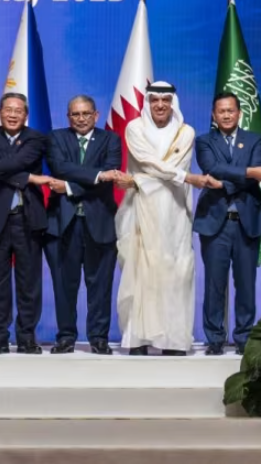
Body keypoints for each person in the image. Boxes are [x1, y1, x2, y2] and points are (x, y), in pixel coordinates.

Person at [116, 82, 208, 356]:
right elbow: (148, 163)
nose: (159, 105)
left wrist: (139, 179)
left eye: (165, 100)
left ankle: (174, 340)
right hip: (142, 207)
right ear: (147, 102)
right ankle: (138, 338)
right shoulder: (135, 128)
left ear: (172, 103)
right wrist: (187, 177)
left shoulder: (185, 132)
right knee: (141, 270)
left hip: (175, 211)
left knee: (176, 271)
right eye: (154, 100)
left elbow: (162, 170)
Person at [194, 92, 261, 356]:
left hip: (247, 220)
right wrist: (248, 172)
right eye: (221, 111)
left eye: (231, 110)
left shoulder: (255, 140)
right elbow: (212, 168)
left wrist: (225, 183)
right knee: (214, 284)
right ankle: (215, 339)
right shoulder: (204, 141)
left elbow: (256, 175)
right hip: (214, 222)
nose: (226, 115)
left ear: (239, 113)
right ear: (213, 115)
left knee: (246, 283)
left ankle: (244, 337)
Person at [45, 94, 125, 355]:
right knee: (64, 284)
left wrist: (69, 187)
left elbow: (110, 174)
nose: (81, 119)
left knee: (100, 285)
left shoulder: (111, 139)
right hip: (63, 223)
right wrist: (98, 175)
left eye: (86, 113)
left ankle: (98, 338)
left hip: (100, 223)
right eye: (75, 114)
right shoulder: (56, 138)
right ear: (68, 117)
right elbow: (60, 167)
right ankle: (66, 337)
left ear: (96, 115)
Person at [0, 92, 54, 355]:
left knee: (29, 281)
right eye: (8, 110)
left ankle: (27, 337)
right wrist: (29, 178)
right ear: (0, 112)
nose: (12, 115)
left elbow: (7, 165)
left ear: (26, 115)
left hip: (28, 217)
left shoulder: (37, 138)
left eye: (18, 110)